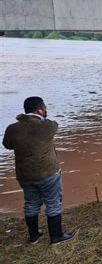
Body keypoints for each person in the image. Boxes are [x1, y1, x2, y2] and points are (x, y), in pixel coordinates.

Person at [2, 97, 76, 244]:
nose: (46, 110)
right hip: (47, 172)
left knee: (31, 203)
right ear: (40, 110)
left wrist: (22, 120)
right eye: (45, 108)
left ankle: (34, 236)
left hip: (25, 174)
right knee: (53, 203)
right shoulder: (46, 126)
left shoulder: (12, 128)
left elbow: (7, 145)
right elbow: (55, 125)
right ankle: (56, 236)